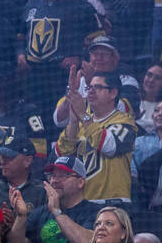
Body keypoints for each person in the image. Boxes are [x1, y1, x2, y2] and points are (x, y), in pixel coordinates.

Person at [54, 69, 138, 205]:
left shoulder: (125, 122)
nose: (91, 91)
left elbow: (110, 146)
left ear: (113, 93)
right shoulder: (82, 122)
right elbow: (62, 154)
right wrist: (74, 121)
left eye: (98, 87)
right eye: (89, 87)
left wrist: (83, 115)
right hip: (83, 204)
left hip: (112, 204)